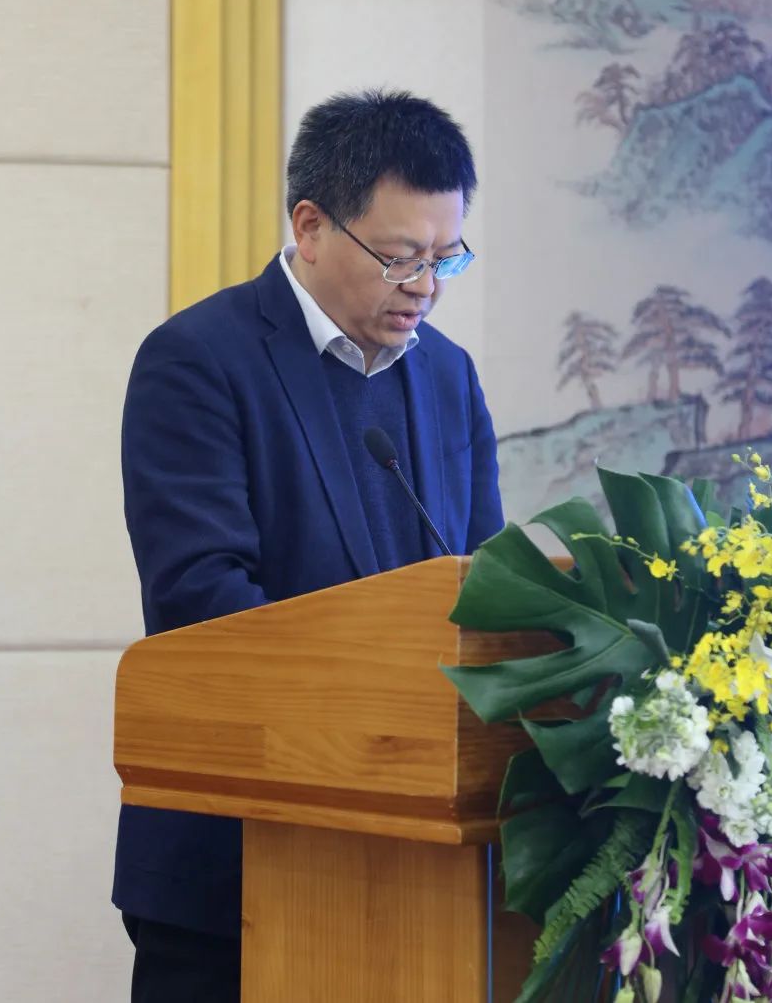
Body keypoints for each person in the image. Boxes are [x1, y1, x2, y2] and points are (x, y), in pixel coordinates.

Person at [112, 89, 504, 1001]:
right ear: (311, 225)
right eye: (400, 257)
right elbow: (203, 601)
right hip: (239, 864)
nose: (426, 286)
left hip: (419, 869)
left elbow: (488, 591)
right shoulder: (198, 360)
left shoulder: (449, 376)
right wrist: (374, 717)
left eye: (446, 257)